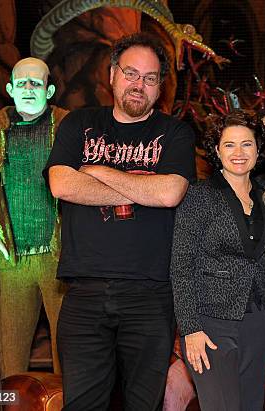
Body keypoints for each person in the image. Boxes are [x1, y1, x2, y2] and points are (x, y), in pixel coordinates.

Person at [45, 33, 195, 410]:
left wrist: (98, 171)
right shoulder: (79, 124)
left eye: (150, 77)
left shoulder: (174, 132)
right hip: (84, 292)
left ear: (160, 86)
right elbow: (62, 184)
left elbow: (170, 194)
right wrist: (144, 186)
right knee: (81, 403)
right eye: (130, 73)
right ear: (112, 75)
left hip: (150, 294)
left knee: (143, 404)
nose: (138, 84)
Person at [0, 57, 67, 378]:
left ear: (48, 90)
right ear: (9, 88)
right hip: (12, 256)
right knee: (11, 350)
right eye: (21, 82)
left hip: (60, 258)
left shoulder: (67, 126)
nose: (27, 89)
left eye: (35, 83)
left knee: (68, 347)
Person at [171, 110, 265, 410]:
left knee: (251, 405)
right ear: (217, 150)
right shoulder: (198, 196)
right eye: (229, 145)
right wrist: (189, 329)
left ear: (258, 149)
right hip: (210, 322)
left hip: (257, 318)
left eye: (247, 144)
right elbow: (181, 265)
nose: (239, 152)